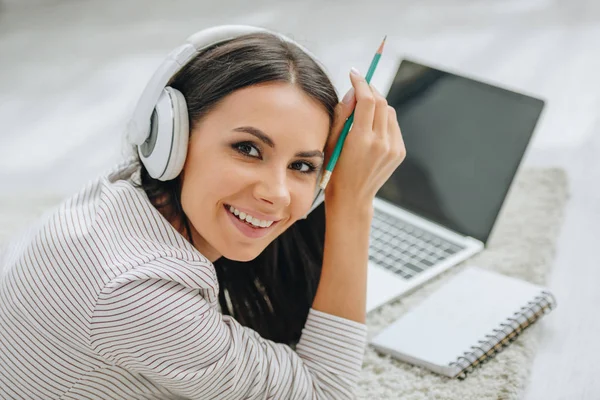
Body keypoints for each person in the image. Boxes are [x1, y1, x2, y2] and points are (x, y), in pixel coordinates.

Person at [0, 25, 405, 399]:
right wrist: (352, 203)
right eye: (248, 148)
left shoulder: (120, 196)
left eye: (302, 166)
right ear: (170, 137)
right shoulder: (140, 295)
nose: (276, 194)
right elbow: (327, 393)